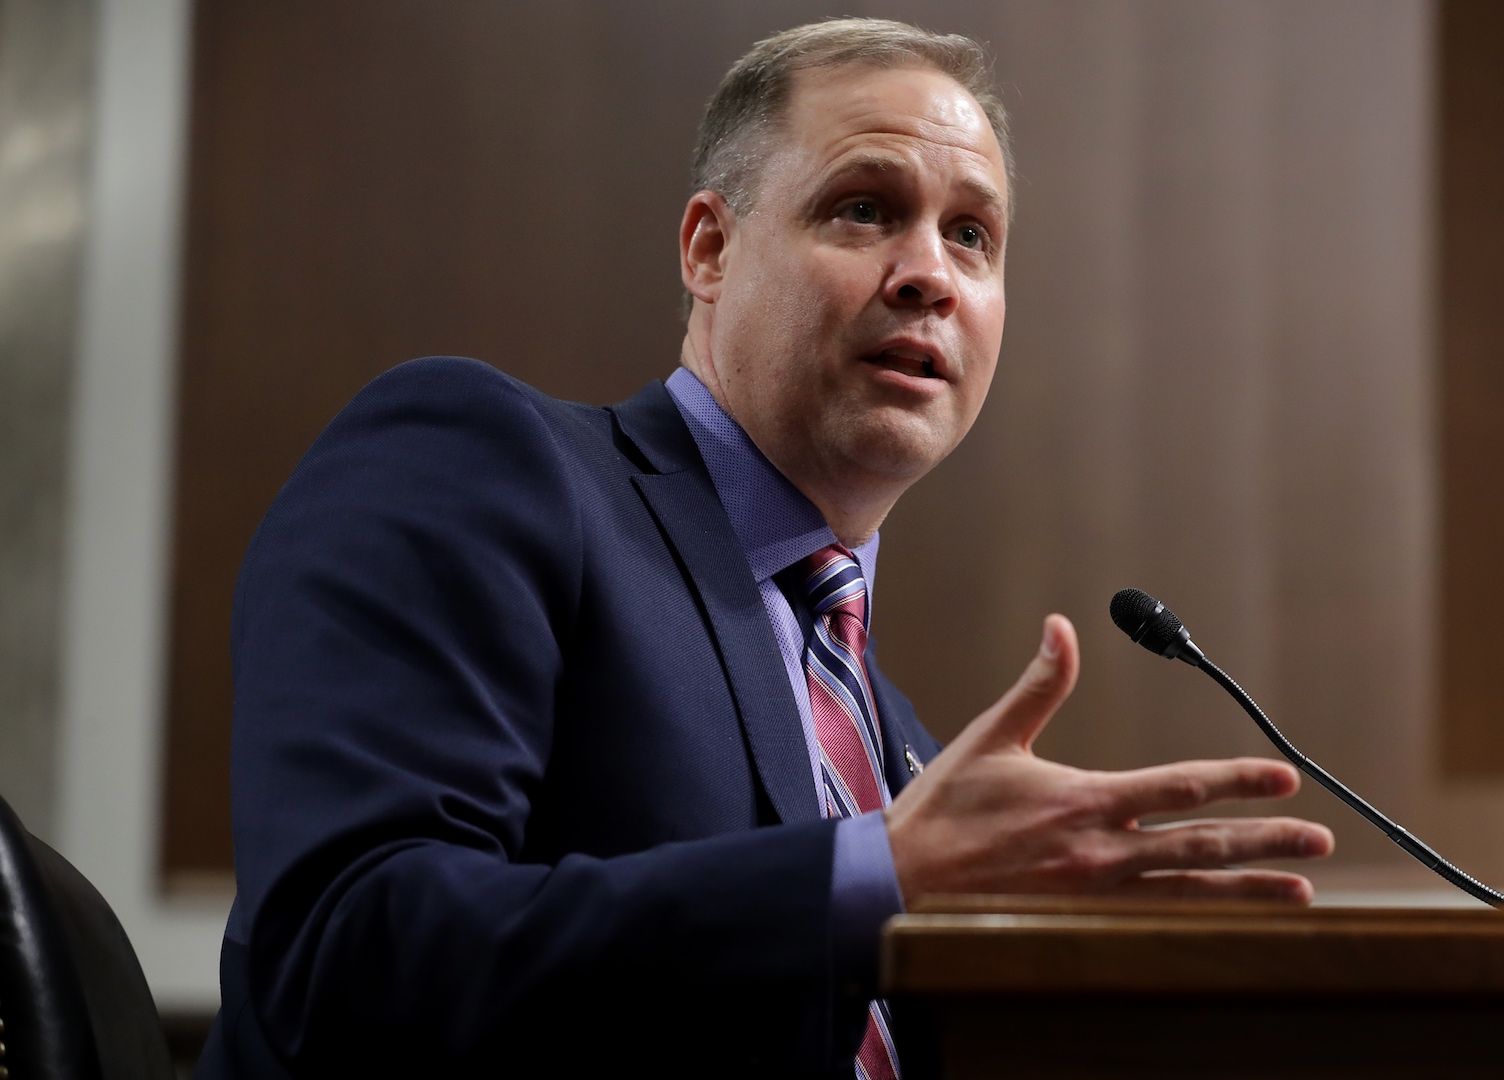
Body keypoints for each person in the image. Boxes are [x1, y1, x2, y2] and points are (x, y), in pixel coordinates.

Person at [196, 18, 1334, 1079]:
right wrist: (875, 875)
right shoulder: (484, 461)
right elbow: (339, 959)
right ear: (709, 248)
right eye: (863, 208)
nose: (930, 273)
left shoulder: (899, 751)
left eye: (973, 235)